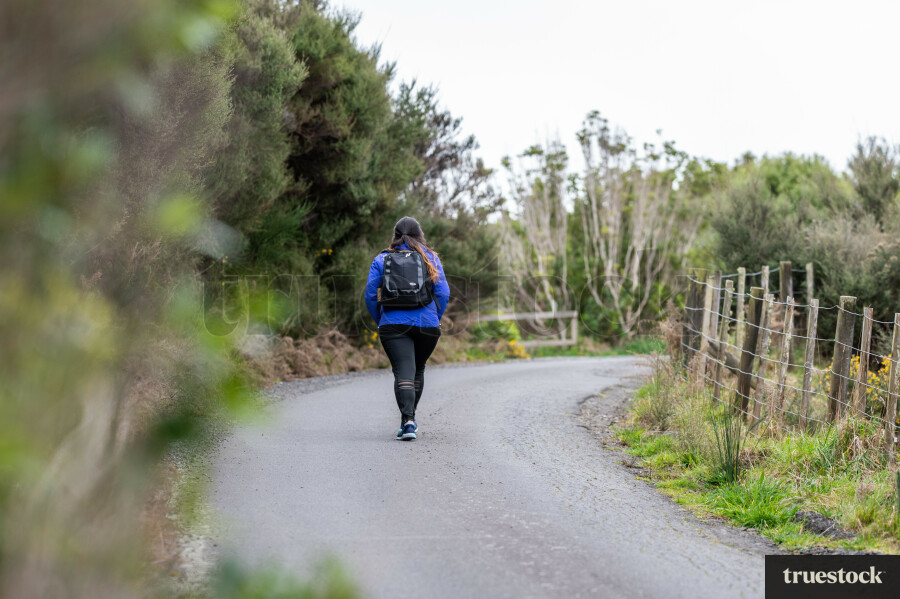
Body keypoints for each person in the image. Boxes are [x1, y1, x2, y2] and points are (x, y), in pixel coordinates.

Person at [364, 217, 450, 441]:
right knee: (417, 369)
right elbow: (443, 292)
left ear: (395, 236)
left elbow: (370, 295)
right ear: (419, 235)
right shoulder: (430, 258)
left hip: (392, 324)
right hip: (427, 325)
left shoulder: (382, 259)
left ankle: (408, 421)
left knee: (403, 371)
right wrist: (435, 317)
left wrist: (380, 319)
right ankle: (409, 420)